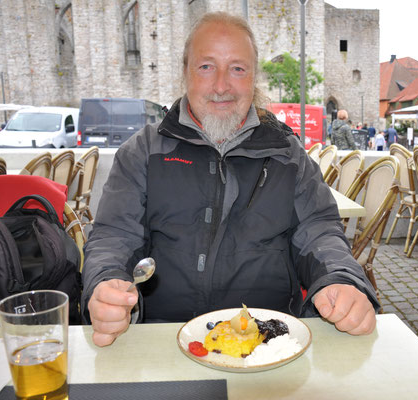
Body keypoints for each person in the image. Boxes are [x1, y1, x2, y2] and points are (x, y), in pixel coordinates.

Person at [82, 12, 379, 347]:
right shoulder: (143, 151)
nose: (221, 86)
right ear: (186, 73)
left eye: (237, 68)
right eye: (206, 66)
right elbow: (113, 236)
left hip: (268, 346)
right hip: (162, 341)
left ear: (253, 79)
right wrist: (104, 285)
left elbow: (320, 232)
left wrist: (341, 280)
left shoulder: (288, 154)